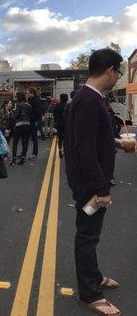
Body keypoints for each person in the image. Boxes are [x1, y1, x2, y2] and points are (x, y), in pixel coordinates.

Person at [64, 48, 124, 316]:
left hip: (89, 179)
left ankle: (95, 277)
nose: (117, 78)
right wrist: (101, 188)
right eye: (118, 72)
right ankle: (90, 294)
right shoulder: (90, 100)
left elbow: (91, 138)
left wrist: (118, 142)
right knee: (87, 238)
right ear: (110, 70)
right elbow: (84, 149)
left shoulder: (87, 97)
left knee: (91, 236)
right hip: (89, 184)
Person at [11, 92, 33, 165]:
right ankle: (23, 159)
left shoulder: (19, 105)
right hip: (27, 125)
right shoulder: (29, 105)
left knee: (15, 143)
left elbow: (16, 116)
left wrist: (14, 111)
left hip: (19, 125)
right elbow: (31, 116)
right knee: (25, 143)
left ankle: (14, 160)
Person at [27, 87, 44, 158]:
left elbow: (37, 112)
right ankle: (33, 153)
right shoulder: (34, 100)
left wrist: (33, 119)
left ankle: (34, 153)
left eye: (27, 93)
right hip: (33, 121)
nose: (26, 94)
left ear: (32, 93)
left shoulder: (35, 101)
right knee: (33, 137)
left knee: (34, 138)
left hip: (34, 121)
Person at [53, 93, 68, 158]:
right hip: (66, 123)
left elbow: (54, 114)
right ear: (67, 99)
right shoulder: (68, 105)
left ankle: (59, 149)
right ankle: (65, 150)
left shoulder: (57, 105)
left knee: (60, 137)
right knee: (66, 138)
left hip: (59, 123)